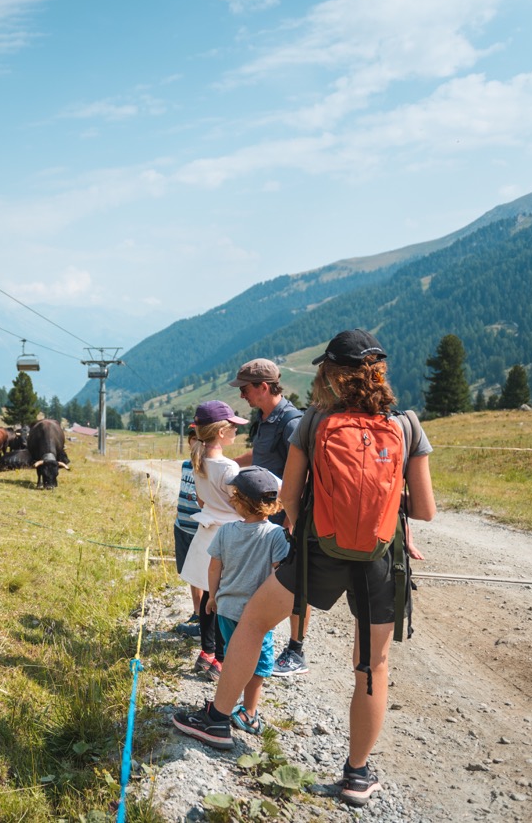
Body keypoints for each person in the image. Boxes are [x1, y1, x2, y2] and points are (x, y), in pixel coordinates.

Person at [172, 329, 436, 808]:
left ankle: (216, 719)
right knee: (372, 664)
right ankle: (356, 774)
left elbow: (288, 497)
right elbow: (425, 510)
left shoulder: (314, 421)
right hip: (381, 557)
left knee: (252, 620)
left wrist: (306, 524)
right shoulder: (407, 425)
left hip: (318, 551)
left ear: (329, 373)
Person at [197, 467, 290, 737]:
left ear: (239, 501)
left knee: (236, 657)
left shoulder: (226, 532)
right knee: (259, 664)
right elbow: (277, 573)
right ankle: (249, 712)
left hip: (226, 609)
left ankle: (226, 703)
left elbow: (214, 568)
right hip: (259, 616)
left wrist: (212, 596)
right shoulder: (275, 535)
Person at [231, 358, 308, 677]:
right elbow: (262, 457)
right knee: (269, 584)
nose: (242, 396)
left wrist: (293, 517)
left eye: (246, 389)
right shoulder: (265, 419)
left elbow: (304, 472)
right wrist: (226, 463)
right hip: (265, 517)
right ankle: (260, 641)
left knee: (294, 584)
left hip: (283, 519)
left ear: (263, 387)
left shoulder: (292, 421)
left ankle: (296, 650)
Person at [179, 400, 248, 680]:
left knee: (209, 594)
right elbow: (240, 504)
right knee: (226, 599)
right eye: (232, 426)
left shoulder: (199, 462)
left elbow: (203, 499)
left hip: (207, 534)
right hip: (230, 537)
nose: (236, 431)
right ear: (221, 432)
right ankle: (221, 658)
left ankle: (206, 652)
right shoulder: (228, 467)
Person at [173, 425, 204, 638]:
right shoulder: (185, 466)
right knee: (190, 574)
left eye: (199, 440)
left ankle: (205, 618)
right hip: (181, 526)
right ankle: (196, 612)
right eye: (193, 439)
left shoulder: (209, 469)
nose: (195, 444)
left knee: (203, 575)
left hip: (199, 530)